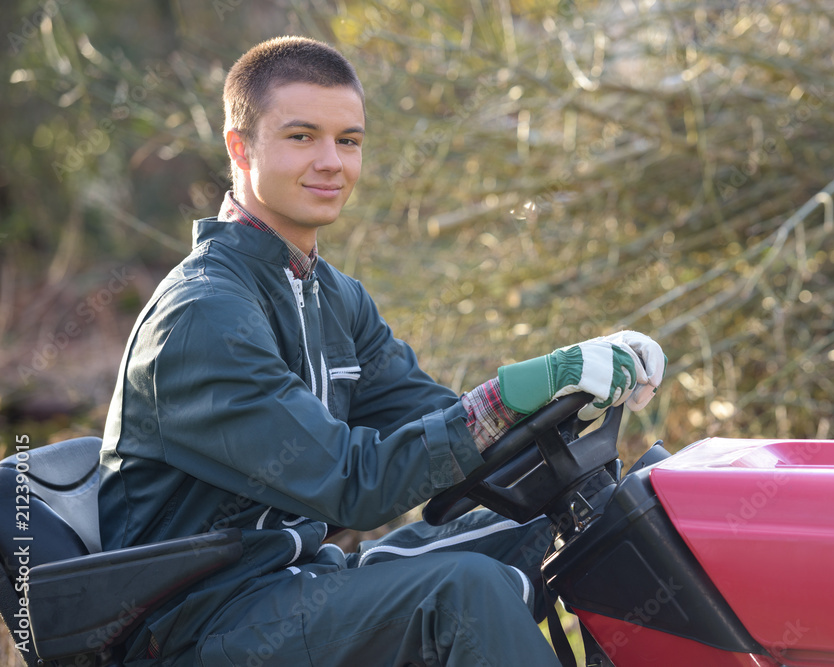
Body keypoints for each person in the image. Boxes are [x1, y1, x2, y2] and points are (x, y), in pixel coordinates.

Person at [98, 36, 665, 666]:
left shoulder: (333, 296)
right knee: (463, 594)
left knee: (572, 522)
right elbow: (351, 481)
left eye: (348, 140)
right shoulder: (204, 313)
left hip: (299, 580)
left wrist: (570, 387)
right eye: (301, 136)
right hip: (195, 626)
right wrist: (511, 392)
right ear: (240, 146)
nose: (331, 162)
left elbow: (440, 426)